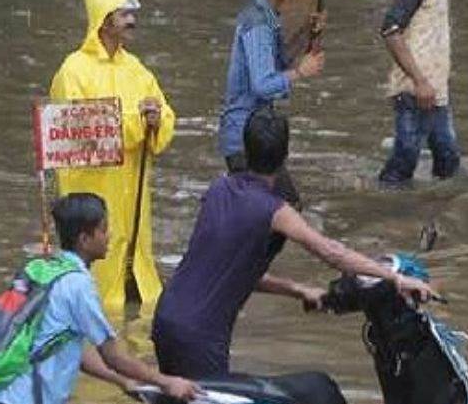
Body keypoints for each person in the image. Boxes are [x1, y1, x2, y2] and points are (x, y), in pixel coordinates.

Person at [153, 108, 435, 378]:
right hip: (200, 334)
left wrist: (297, 289)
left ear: (246, 150)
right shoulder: (274, 211)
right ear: (285, 156)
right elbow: (332, 252)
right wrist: (395, 278)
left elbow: (229, 269)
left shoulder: (218, 190)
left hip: (167, 318)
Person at [0, 194, 198, 404]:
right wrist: (167, 382)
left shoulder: (42, 268)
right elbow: (114, 355)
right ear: (84, 238)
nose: (109, 236)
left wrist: (121, 382)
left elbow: (69, 349)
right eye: (103, 229)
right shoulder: (78, 286)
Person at [50, 0, 176, 309]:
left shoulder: (136, 69)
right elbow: (81, 131)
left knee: (134, 268)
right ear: (105, 21)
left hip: (132, 190)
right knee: (96, 273)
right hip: (93, 188)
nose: (132, 21)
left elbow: (165, 114)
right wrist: (137, 123)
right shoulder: (73, 70)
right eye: (124, 14)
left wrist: (157, 118)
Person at [218, 0, 325, 258]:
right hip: (245, 138)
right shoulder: (258, 23)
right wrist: (301, 73)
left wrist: (307, 32)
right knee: (284, 210)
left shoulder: (268, 18)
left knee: (276, 212)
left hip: (253, 136)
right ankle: (243, 268)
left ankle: (244, 266)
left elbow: (277, 62)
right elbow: (263, 84)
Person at [377, 0, 468, 187]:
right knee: (405, 160)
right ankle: (386, 211)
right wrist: (419, 81)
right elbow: (390, 31)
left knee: (447, 160)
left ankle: (437, 213)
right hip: (414, 90)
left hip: (434, 89)